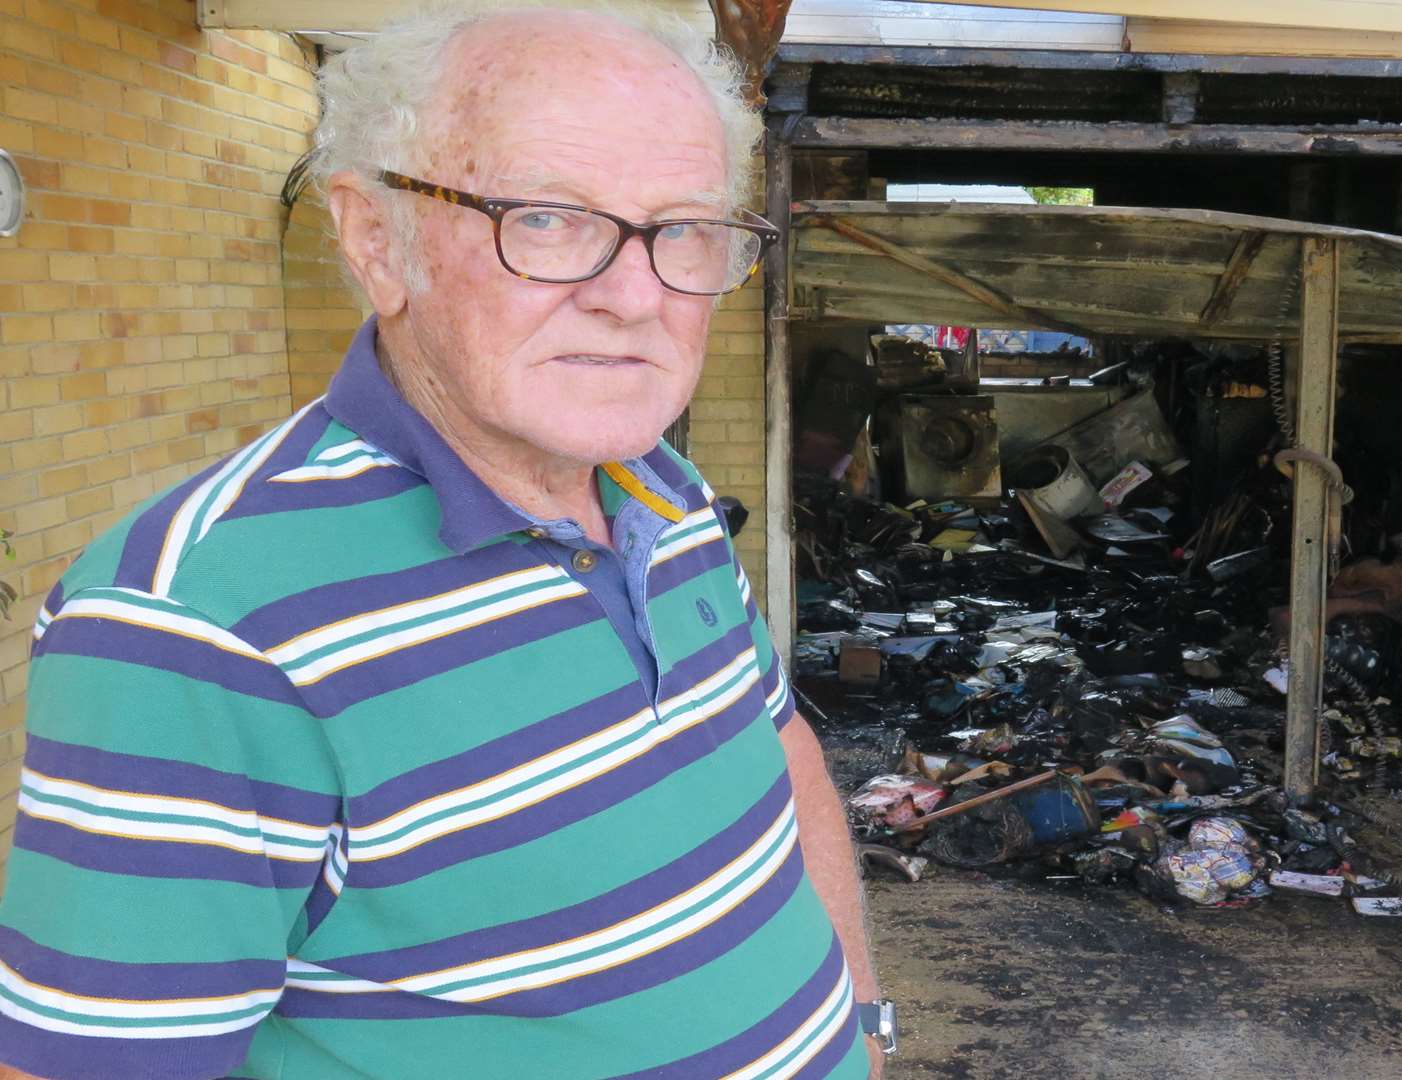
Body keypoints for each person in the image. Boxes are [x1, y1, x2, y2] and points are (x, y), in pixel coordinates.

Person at [0, 5, 886, 1077]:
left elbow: (776, 751)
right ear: (378, 242)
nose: (632, 296)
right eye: (549, 219)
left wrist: (862, 1024)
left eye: (685, 227)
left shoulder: (663, 489)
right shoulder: (190, 628)